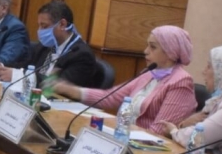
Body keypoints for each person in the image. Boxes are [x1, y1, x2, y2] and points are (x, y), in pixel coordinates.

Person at [52, 25, 196, 135]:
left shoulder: (181, 82)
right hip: (126, 137)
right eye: (147, 45)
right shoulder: (150, 73)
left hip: (145, 148)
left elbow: (158, 131)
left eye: (153, 47)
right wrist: (70, 90)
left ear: (170, 52)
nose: (145, 51)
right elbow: (110, 97)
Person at [0, 0, 100, 87]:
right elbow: (24, 65)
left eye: (44, 26)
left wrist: (17, 76)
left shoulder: (81, 54)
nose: (39, 31)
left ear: (62, 24)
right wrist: (1, 68)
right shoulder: (44, 46)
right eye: (39, 25)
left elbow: (57, 86)